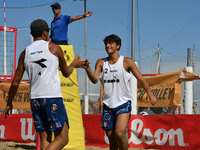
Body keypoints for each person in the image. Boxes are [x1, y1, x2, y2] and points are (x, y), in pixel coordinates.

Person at [4, 19, 86, 150]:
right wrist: (74, 64)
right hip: (52, 97)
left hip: (35, 99)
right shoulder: (54, 48)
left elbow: (15, 83)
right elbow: (66, 73)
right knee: (63, 138)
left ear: (32, 34)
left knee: (45, 141)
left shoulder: (25, 53)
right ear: (44, 33)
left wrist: (9, 102)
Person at [84, 34, 157, 150]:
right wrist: (87, 68)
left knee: (119, 133)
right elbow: (94, 80)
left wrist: (150, 94)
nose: (107, 45)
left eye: (110, 43)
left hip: (123, 103)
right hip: (108, 105)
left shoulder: (126, 61)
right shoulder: (101, 62)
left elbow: (141, 79)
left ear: (118, 46)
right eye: (106, 44)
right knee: (111, 137)